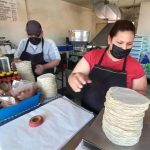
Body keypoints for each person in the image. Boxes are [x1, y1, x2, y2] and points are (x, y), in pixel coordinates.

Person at [68, 20, 147, 114]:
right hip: (87, 112)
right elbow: (73, 76)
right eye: (120, 42)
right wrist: (73, 78)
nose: (124, 48)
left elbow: (141, 92)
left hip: (116, 117)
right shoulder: (92, 56)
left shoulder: (136, 66)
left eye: (129, 44)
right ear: (110, 39)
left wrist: (130, 101)